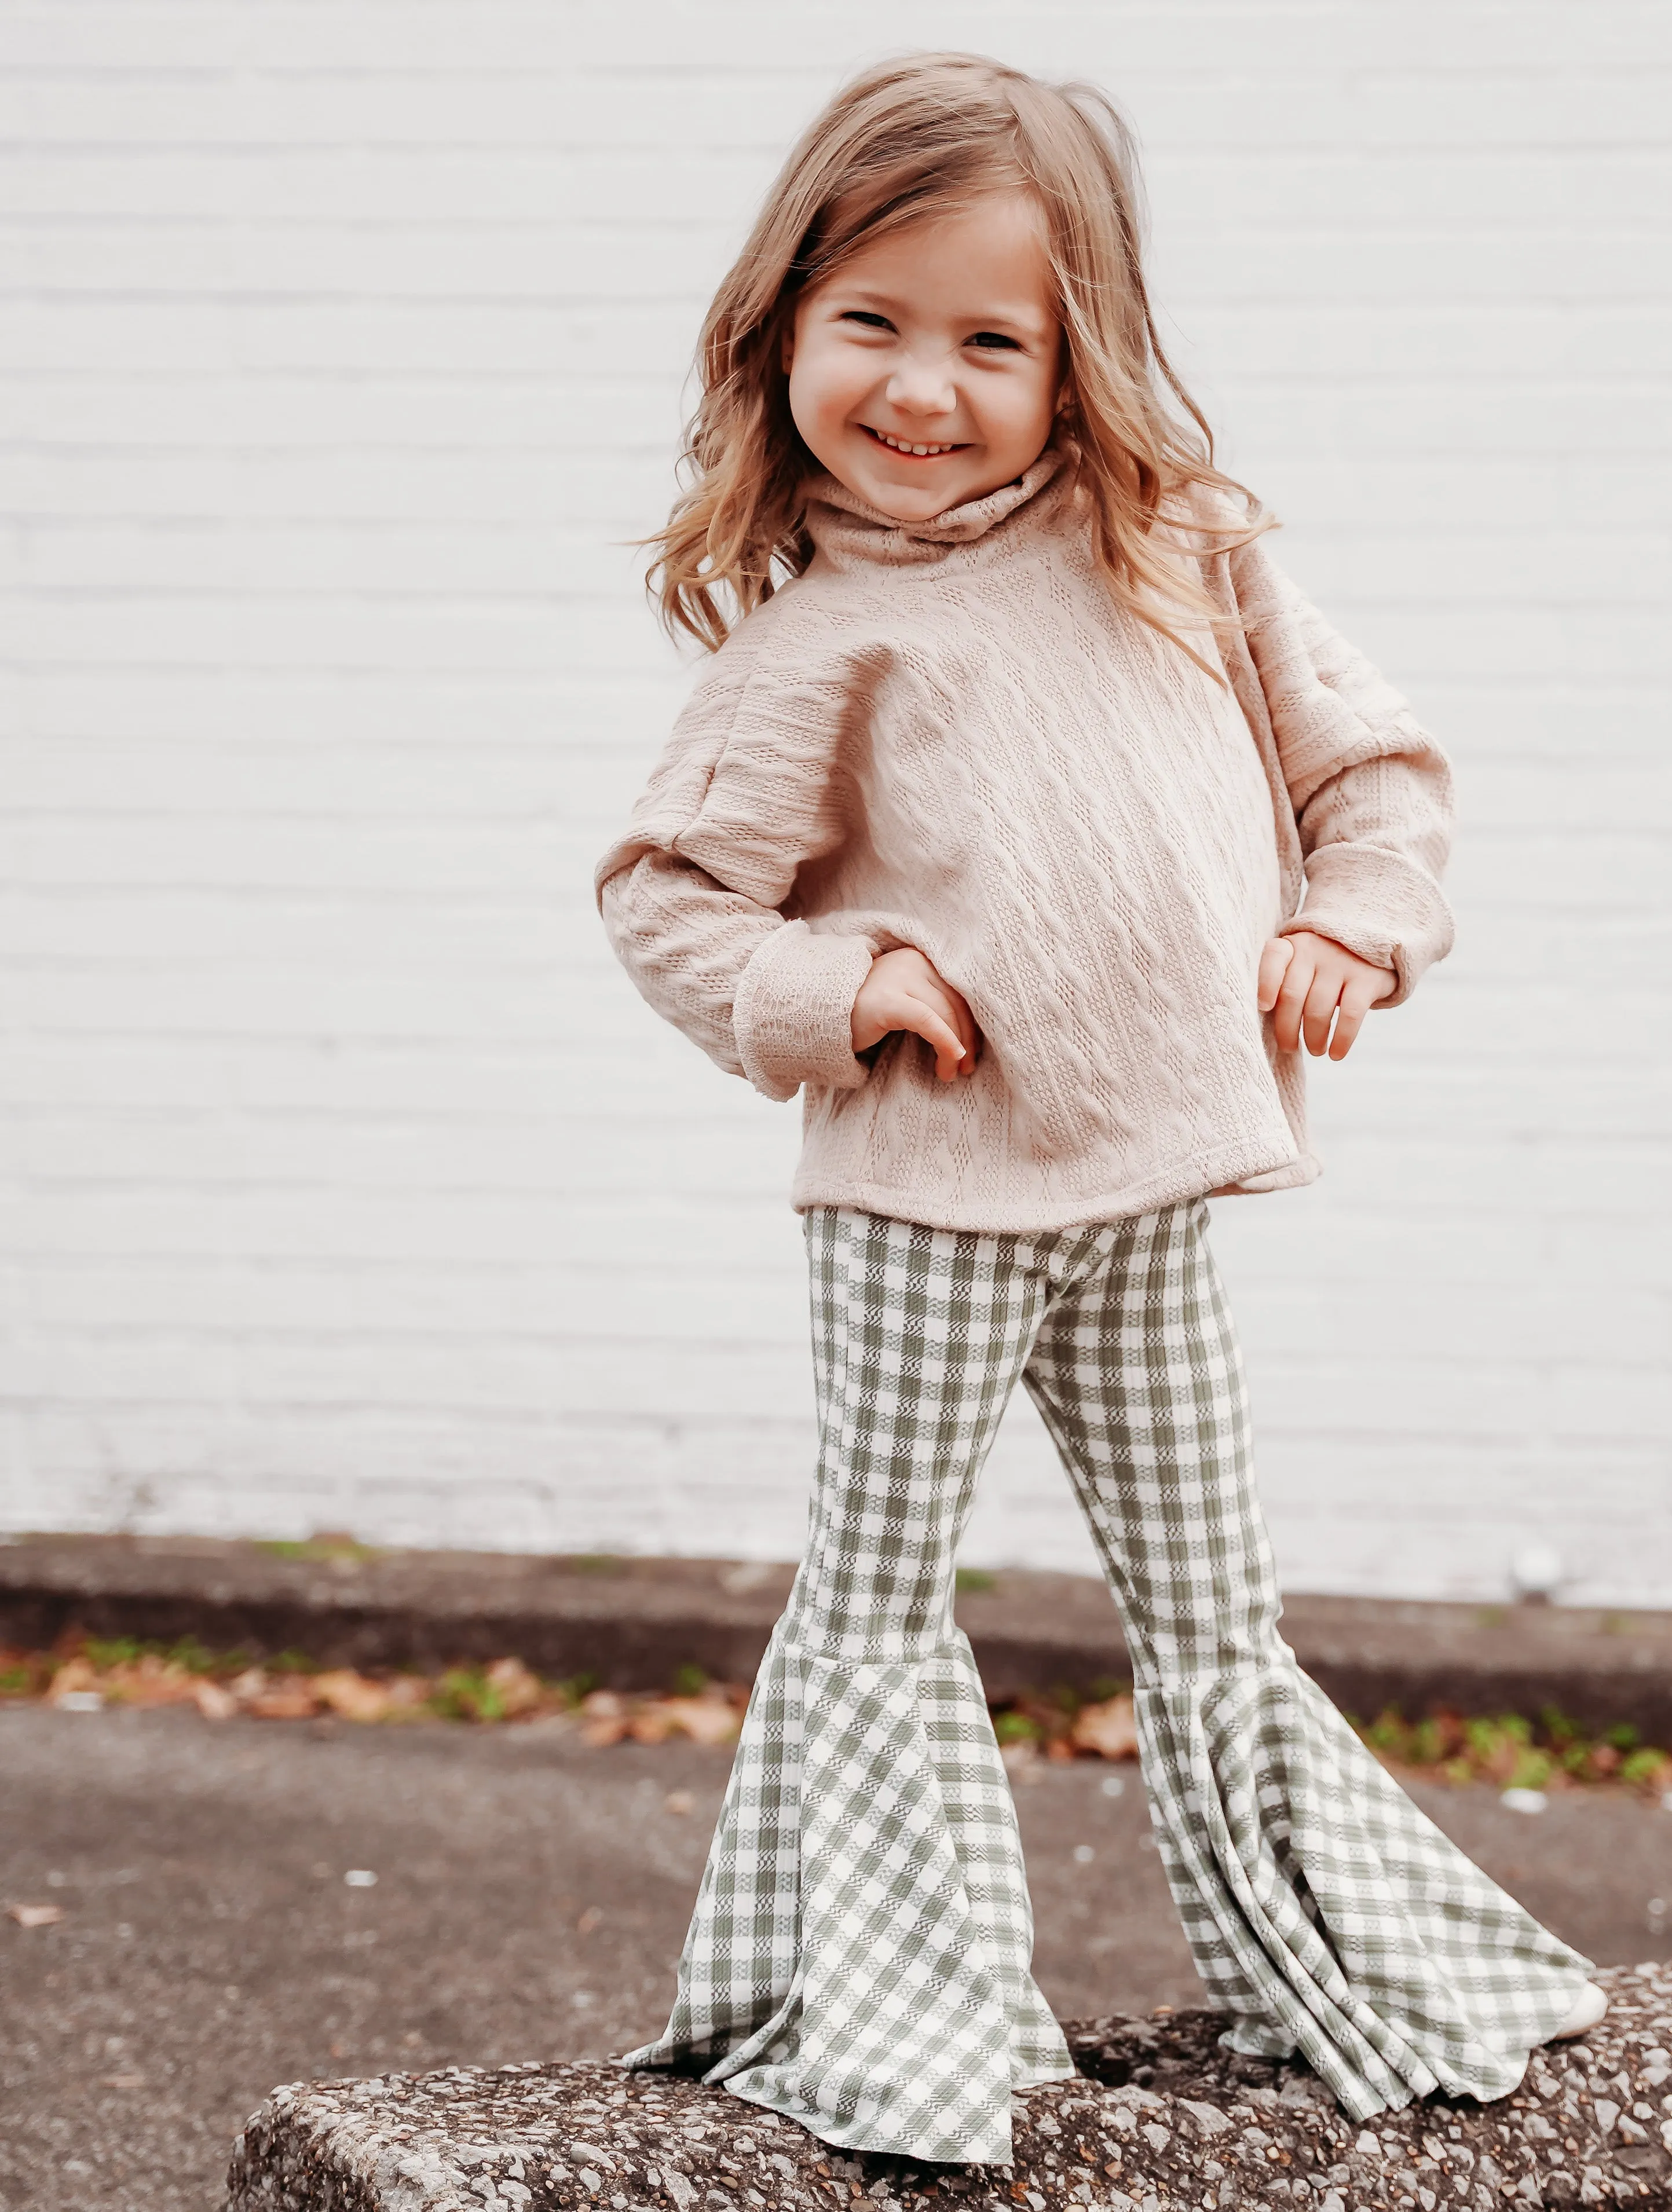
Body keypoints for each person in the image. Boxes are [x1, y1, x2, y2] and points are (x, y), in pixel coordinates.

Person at [596, 51, 1603, 2167]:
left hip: (1150, 1188)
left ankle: (1335, 1971)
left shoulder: (1178, 550)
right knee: (878, 1597)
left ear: (1083, 357)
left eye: (992, 339)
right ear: (779, 328)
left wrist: (1357, 919)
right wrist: (833, 976)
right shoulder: (819, 641)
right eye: (868, 323)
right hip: (923, 1208)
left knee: (1210, 1599)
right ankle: (891, 2022)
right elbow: (670, 901)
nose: (921, 386)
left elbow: (1374, 776)